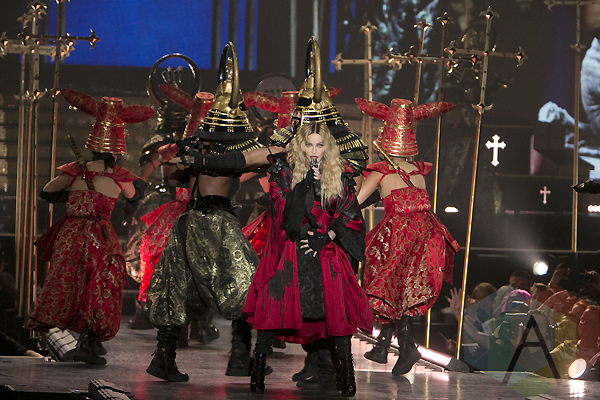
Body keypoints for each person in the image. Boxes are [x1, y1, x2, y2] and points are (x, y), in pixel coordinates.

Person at [143, 42, 262, 382]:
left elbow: (173, 174)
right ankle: (239, 355)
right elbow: (261, 158)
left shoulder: (195, 148)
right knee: (246, 283)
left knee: (176, 286)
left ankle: (164, 356)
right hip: (216, 221)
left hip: (187, 221)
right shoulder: (228, 151)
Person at [237, 121, 372, 396]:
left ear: (327, 147)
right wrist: (305, 185)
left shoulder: (340, 174)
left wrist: (328, 236)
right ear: (301, 146)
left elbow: (350, 214)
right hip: (291, 249)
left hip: (326, 251)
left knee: (336, 314)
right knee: (273, 310)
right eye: (309, 144)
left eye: (319, 145)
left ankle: (347, 378)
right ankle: (257, 374)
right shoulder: (284, 171)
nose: (314, 150)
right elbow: (282, 209)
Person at [26, 89, 154, 365]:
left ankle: (79, 338)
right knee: (98, 286)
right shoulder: (120, 176)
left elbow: (47, 191)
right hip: (99, 236)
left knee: (68, 282)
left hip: (71, 235)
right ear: (117, 151)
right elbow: (134, 197)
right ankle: (90, 340)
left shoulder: (74, 169)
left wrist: (73, 193)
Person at [355, 97, 459, 376]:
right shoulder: (418, 170)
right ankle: (385, 345)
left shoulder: (381, 171)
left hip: (400, 232)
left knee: (384, 284)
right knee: (404, 289)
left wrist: (353, 176)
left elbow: (356, 201)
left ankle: (404, 345)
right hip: (426, 232)